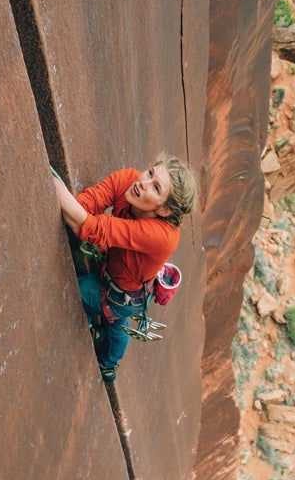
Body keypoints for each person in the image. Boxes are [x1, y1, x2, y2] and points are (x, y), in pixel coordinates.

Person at [52, 157, 197, 381]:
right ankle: (109, 358)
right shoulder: (130, 180)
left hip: (121, 296)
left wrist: (51, 181)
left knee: (74, 291)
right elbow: (84, 206)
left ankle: (108, 364)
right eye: (150, 173)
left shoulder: (163, 237)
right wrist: (75, 209)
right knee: (116, 324)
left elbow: (90, 226)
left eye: (156, 188)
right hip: (115, 276)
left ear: (165, 210)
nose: (143, 183)